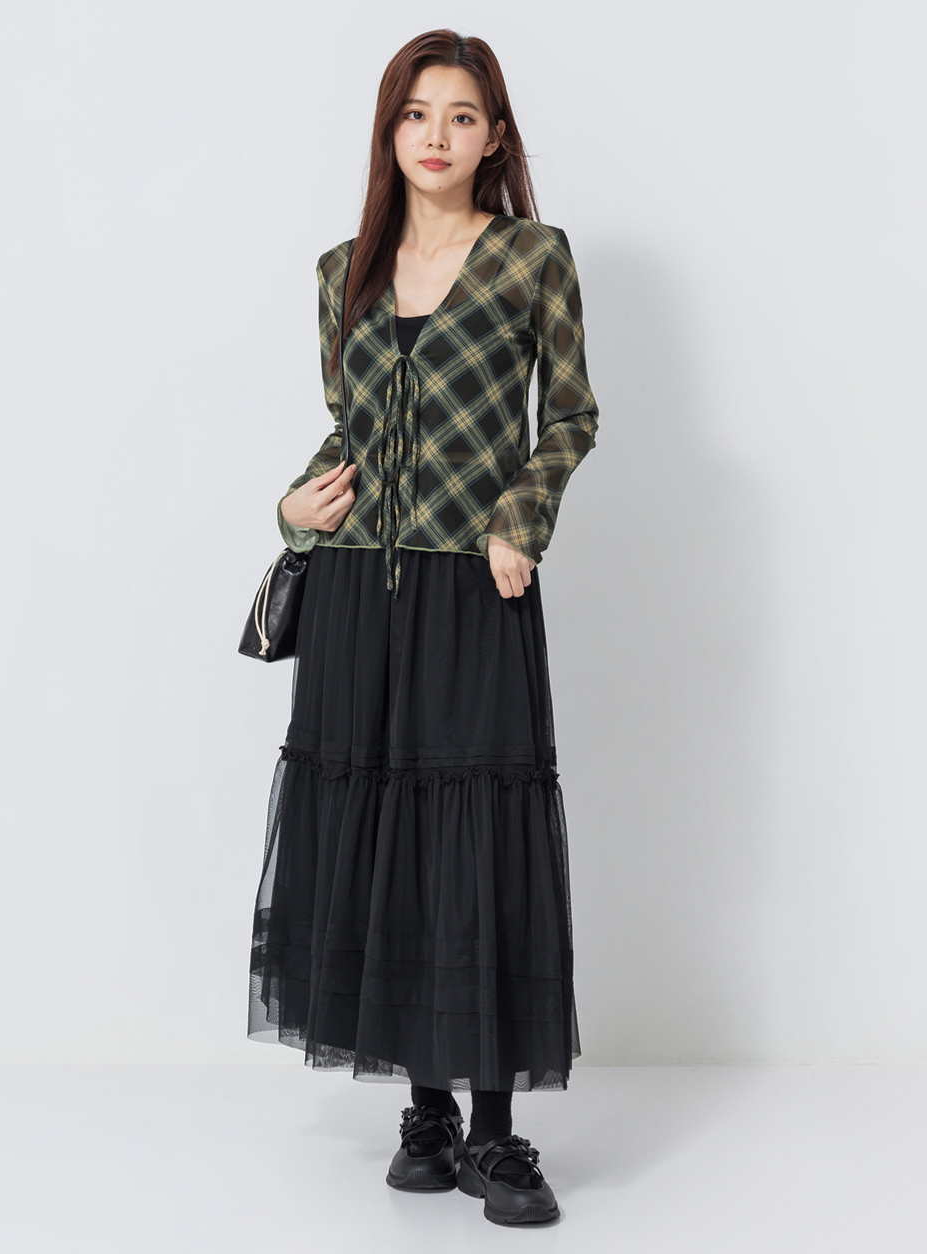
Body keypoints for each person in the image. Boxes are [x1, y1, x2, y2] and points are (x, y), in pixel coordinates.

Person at [246, 28, 599, 1226]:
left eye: (460, 115)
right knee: (385, 835)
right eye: (415, 113)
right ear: (389, 130)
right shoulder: (341, 269)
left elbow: (570, 417)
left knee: (476, 843)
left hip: (472, 585)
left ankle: (495, 1134)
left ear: (493, 137)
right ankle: (428, 1113)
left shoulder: (533, 258)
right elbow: (350, 431)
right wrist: (290, 512)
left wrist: (521, 520)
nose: (435, 136)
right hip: (356, 589)